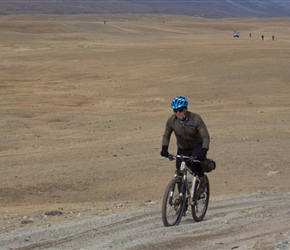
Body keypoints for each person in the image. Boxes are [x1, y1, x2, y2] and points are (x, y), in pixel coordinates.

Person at [160, 95, 210, 193]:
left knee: (195, 163)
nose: (178, 113)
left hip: (196, 145)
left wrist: (204, 150)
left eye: (180, 110)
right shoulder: (171, 120)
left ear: (186, 109)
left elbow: (205, 136)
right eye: (175, 111)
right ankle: (182, 199)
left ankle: (202, 180)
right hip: (182, 147)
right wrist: (164, 148)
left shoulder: (196, 119)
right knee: (179, 171)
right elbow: (166, 135)